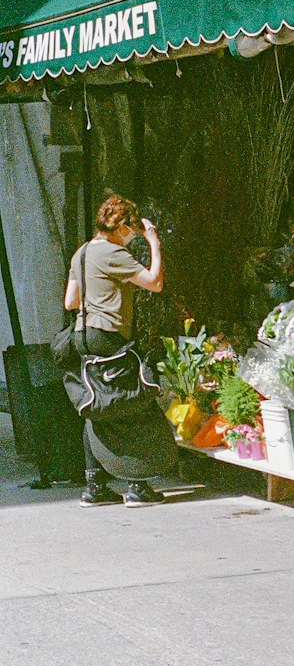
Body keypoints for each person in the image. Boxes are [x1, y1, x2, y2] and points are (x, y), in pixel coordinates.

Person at [64, 193, 171, 507]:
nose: (133, 234)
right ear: (121, 225)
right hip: (109, 335)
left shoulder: (81, 253)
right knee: (131, 401)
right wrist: (154, 243)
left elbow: (70, 302)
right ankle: (137, 486)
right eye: (131, 228)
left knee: (97, 405)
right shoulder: (114, 253)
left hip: (83, 336)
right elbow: (154, 282)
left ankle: (94, 486)